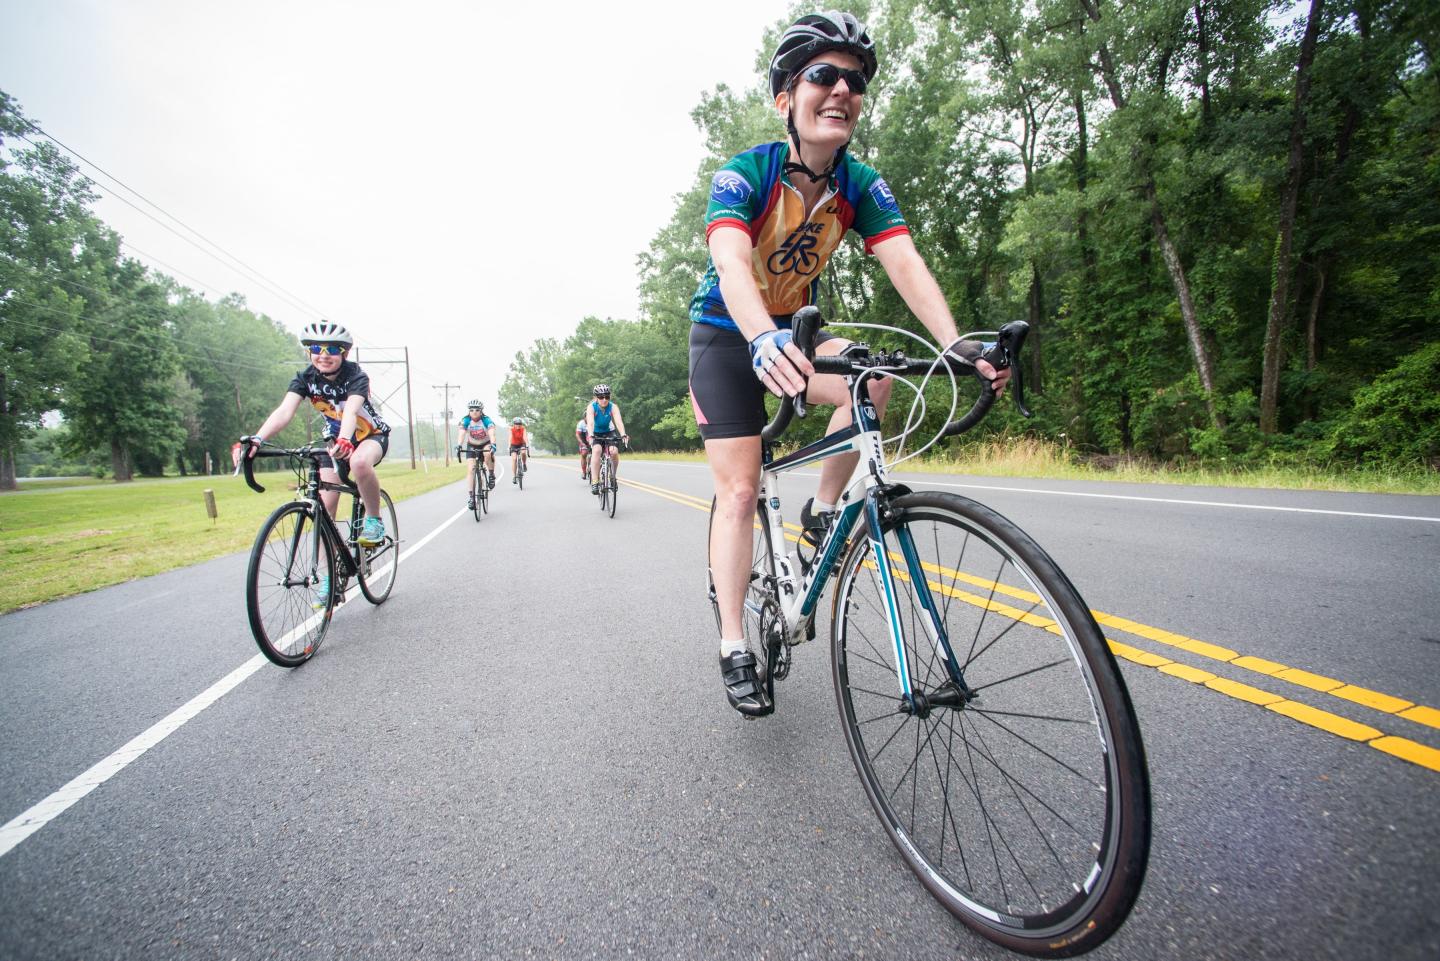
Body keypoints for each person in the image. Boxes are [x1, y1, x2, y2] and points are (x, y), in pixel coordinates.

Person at [690, 11, 1011, 716]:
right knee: (739, 490)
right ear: (786, 99)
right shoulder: (746, 174)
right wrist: (758, 337)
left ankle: (823, 508)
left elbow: (904, 261)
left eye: (855, 81)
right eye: (823, 76)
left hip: (797, 333)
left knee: (875, 376)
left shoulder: (861, 184)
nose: (842, 90)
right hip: (726, 335)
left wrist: (956, 343)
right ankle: (733, 640)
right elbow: (731, 264)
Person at [247, 320, 391, 606]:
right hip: (334, 441)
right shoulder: (304, 378)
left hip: (368, 436)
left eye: (332, 349)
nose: (323, 354)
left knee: (361, 464)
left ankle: (374, 519)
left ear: (344, 353)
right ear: (308, 352)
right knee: (323, 508)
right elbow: (284, 411)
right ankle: (330, 576)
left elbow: (351, 410)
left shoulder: (356, 376)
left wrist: (347, 440)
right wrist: (257, 439)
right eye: (316, 348)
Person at [584, 384, 629, 495]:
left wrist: (623, 434)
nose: (604, 400)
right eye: (601, 397)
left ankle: (612, 476)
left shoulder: (613, 407)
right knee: (597, 450)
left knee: (613, 452)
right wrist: (590, 435)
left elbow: (618, 421)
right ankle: (595, 481)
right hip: (595, 432)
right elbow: (590, 422)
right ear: (596, 398)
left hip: (609, 431)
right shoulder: (591, 407)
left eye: (607, 397)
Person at [455, 400, 496, 507]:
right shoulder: (466, 420)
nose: (474, 412)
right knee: (471, 469)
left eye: (477, 410)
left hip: (485, 443)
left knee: (487, 455)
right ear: (469, 411)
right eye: (471, 410)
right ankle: (472, 497)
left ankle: (491, 475)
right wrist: (459, 445)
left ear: (481, 411)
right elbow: (462, 433)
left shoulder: (486, 420)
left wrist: (493, 444)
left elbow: (491, 433)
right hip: (472, 445)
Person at [507, 417, 530, 482]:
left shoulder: (523, 429)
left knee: (523, 452)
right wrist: (509, 446)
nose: (518, 425)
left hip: (522, 443)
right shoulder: (511, 429)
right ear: (514, 424)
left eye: (519, 424)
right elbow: (510, 437)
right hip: (514, 445)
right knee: (514, 459)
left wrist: (527, 444)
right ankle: (514, 476)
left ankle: (524, 464)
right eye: (516, 424)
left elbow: (525, 437)